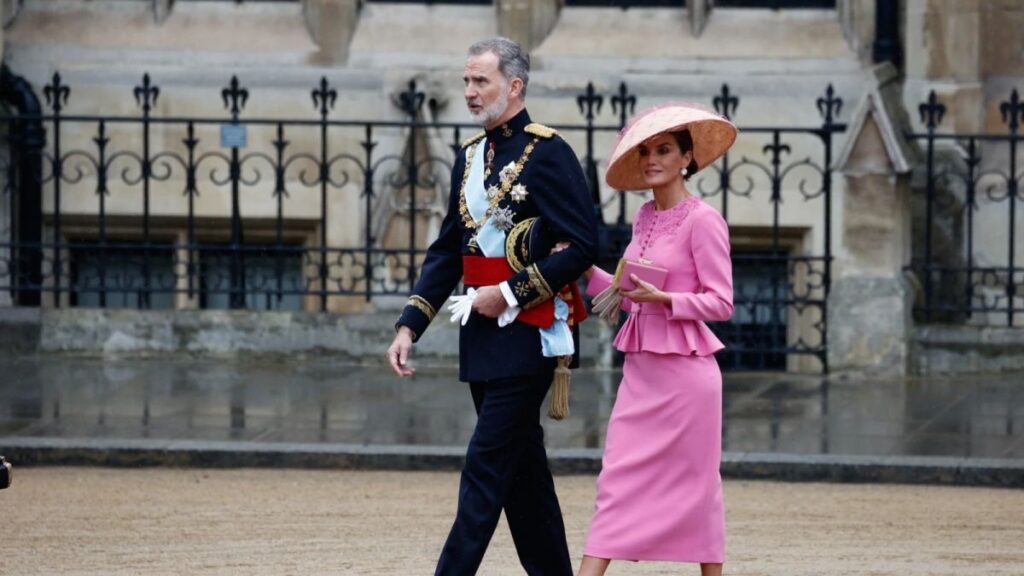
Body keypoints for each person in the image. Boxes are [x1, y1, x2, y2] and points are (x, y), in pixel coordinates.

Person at [386, 37, 598, 576]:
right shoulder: (469, 157)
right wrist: (411, 324)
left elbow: (583, 246)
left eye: (480, 81)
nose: (469, 92)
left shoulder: (549, 153)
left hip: (528, 335)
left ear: (515, 86)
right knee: (523, 481)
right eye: (466, 81)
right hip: (481, 341)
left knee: (483, 474)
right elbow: (446, 251)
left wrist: (507, 293)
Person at [577, 103, 737, 576]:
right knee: (617, 481)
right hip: (641, 375)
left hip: (688, 380)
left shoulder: (704, 220)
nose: (652, 159)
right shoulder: (644, 217)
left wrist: (668, 299)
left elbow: (721, 303)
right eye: (646, 150)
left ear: (687, 158)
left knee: (697, 488)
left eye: (664, 149)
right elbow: (630, 298)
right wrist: (583, 270)